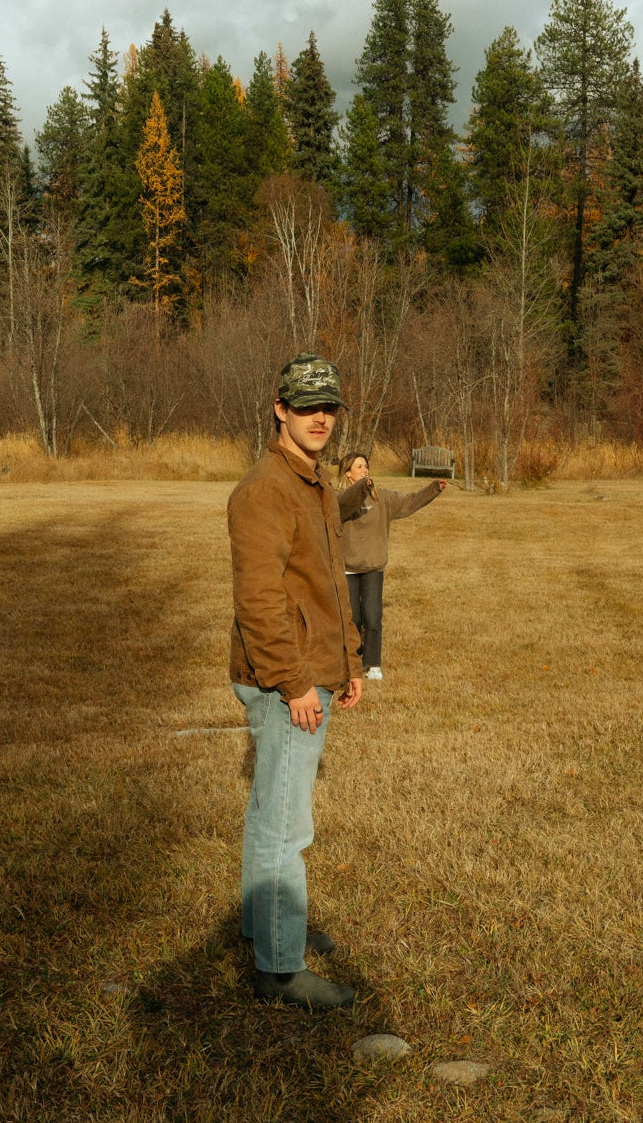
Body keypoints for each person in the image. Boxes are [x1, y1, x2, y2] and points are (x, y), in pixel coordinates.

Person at [227, 353, 363, 1011]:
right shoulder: (265, 490)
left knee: (270, 813)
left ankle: (266, 928)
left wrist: (350, 662)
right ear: (279, 408)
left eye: (328, 407)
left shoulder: (312, 482)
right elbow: (259, 601)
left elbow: (327, 580)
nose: (319, 418)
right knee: (286, 825)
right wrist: (294, 682)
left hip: (313, 671)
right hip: (290, 682)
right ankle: (279, 970)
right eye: (306, 406)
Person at [336, 451, 447, 681]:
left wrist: (434, 489)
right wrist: (360, 490)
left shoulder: (382, 498)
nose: (364, 470)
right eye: (359, 467)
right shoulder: (339, 500)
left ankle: (372, 664)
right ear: (347, 473)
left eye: (366, 466)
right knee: (353, 620)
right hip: (347, 567)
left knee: (372, 617)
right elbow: (342, 507)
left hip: (373, 567)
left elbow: (409, 502)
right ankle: (353, 661)